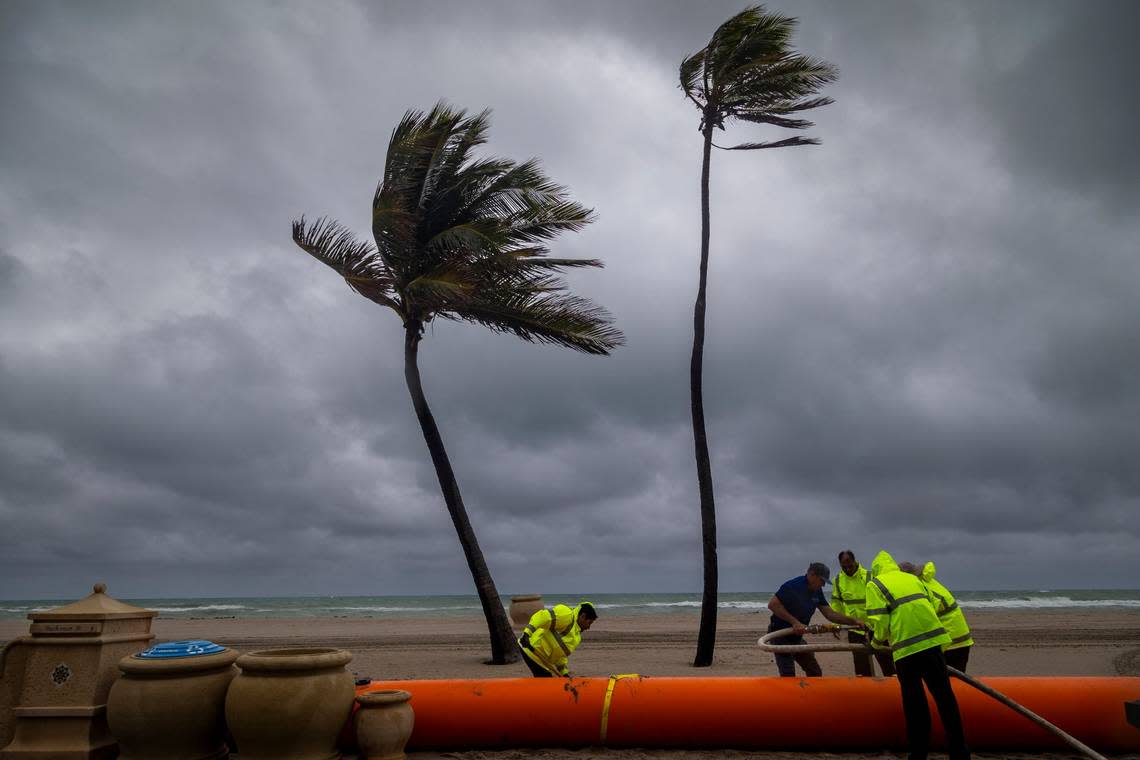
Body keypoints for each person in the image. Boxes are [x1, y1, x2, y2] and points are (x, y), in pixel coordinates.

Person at [866, 550, 970, 760]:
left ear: (876, 570)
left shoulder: (875, 585)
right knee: (945, 697)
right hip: (933, 643)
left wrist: (875, 644)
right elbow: (929, 606)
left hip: (906, 650)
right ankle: (959, 751)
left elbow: (880, 621)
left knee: (915, 703)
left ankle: (919, 753)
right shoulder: (911, 578)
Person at [767, 561, 866, 677]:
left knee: (814, 671)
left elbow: (830, 614)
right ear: (812, 575)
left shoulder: (817, 591)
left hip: (796, 637)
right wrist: (795, 622)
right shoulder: (793, 586)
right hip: (780, 635)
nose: (823, 585)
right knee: (788, 674)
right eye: (822, 581)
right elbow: (773, 605)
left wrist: (853, 621)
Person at [832, 550, 896, 677]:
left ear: (854, 561)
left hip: (874, 627)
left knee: (886, 660)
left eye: (849, 565)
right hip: (855, 629)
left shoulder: (869, 576)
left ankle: (894, 685)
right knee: (861, 666)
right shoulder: (838, 580)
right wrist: (837, 624)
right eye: (843, 567)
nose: (847, 569)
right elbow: (836, 605)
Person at [907, 560, 974, 673]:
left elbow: (923, 619)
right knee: (957, 679)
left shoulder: (921, 589)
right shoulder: (930, 582)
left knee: (943, 680)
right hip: (960, 639)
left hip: (950, 643)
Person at [518, 601, 596, 677]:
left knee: (545, 679)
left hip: (542, 660)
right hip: (530, 648)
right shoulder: (566, 615)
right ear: (583, 616)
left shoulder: (576, 638)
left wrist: (564, 673)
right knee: (546, 679)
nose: (588, 627)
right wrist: (527, 634)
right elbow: (543, 617)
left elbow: (560, 656)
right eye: (589, 623)